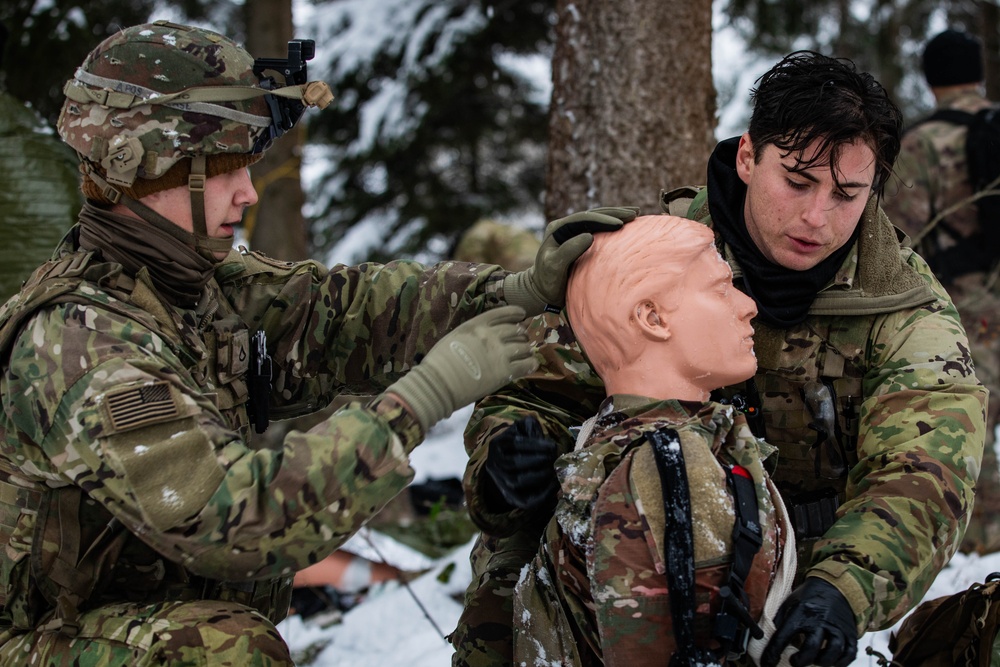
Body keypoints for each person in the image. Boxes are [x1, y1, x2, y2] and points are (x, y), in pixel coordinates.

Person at [0, 21, 634, 664]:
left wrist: (516, 290)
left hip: (127, 615)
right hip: (45, 638)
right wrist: (422, 398)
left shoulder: (191, 285)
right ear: (139, 168)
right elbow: (238, 516)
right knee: (218, 653)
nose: (247, 193)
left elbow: (350, 311)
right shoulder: (82, 346)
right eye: (221, 171)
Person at [452, 50, 987, 667]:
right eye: (797, 181)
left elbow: (926, 469)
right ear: (747, 156)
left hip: (800, 571)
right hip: (625, 539)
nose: (817, 217)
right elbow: (531, 389)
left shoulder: (903, 305)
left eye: (847, 193)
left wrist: (843, 589)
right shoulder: (662, 251)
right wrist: (504, 461)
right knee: (505, 569)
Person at [511, 214, 797, 666]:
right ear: (652, 317)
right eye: (721, 289)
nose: (748, 306)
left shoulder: (611, 440)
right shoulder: (670, 469)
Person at [881, 28, 1000, 555]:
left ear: (931, 81)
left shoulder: (924, 143)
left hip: (973, 300)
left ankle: (981, 547)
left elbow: (900, 237)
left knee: (978, 412)